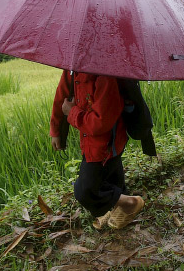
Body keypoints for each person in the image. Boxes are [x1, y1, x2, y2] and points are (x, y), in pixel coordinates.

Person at [49, 70, 145, 229]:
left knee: (85, 190)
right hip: (90, 140)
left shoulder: (105, 76)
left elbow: (100, 123)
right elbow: (61, 95)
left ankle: (130, 203)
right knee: (112, 175)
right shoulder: (73, 68)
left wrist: (71, 112)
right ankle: (117, 207)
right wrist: (56, 131)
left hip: (106, 143)